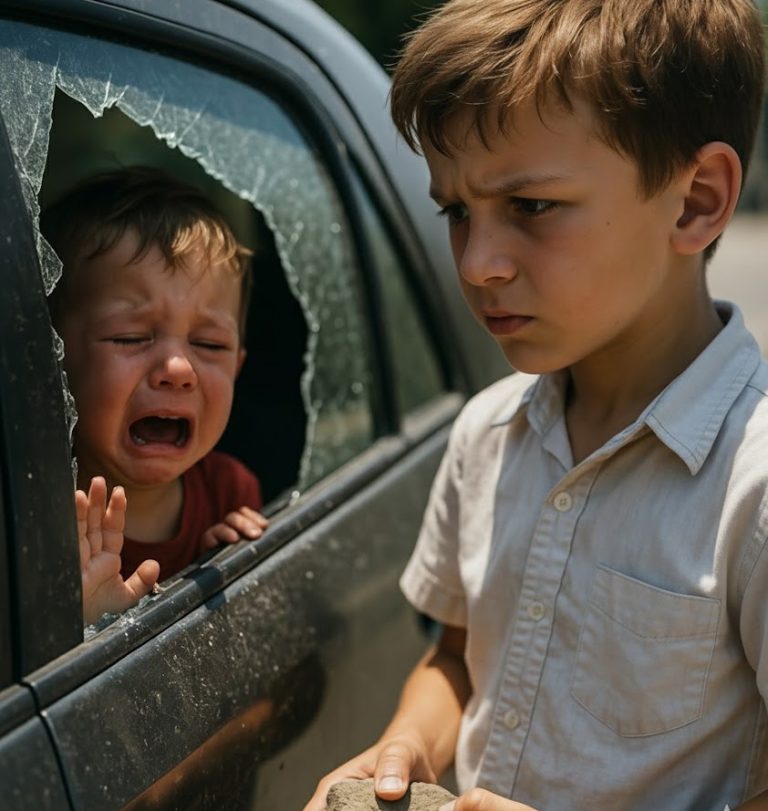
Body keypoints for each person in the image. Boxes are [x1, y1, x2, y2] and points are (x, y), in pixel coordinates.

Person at [304, 0, 768, 809]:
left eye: (531, 207)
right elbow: (458, 657)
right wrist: (404, 746)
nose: (479, 263)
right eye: (456, 211)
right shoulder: (487, 432)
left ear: (695, 200)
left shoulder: (751, 490)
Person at [42, 167, 269, 625]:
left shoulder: (230, 494)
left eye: (209, 345)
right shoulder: (36, 524)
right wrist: (79, 626)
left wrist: (217, 579)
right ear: (53, 358)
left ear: (238, 366)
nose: (179, 370)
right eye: (130, 337)